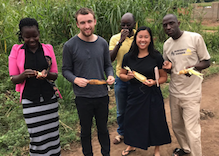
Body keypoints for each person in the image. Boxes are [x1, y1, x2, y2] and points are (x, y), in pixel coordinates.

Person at [62, 8, 115, 156]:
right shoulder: (70, 46)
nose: (87, 26)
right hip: (83, 97)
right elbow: (65, 70)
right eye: (83, 22)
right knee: (85, 131)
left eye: (89, 21)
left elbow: (107, 65)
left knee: (103, 129)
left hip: (101, 95)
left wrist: (110, 76)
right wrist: (75, 79)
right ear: (77, 24)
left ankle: (106, 153)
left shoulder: (103, 43)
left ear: (95, 21)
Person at [8, 18, 61, 156]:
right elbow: (13, 78)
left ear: (39, 33)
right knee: (37, 137)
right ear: (22, 36)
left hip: (49, 98)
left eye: (35, 36)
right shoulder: (16, 51)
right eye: (27, 37)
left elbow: (55, 75)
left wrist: (46, 74)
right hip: (30, 100)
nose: (32, 39)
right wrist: (24, 75)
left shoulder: (48, 48)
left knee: (53, 135)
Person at [162, 14, 211, 156]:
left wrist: (194, 68)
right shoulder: (167, 45)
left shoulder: (195, 38)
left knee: (192, 129)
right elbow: (170, 68)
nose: (168, 27)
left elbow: (206, 61)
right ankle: (185, 149)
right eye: (165, 25)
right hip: (174, 92)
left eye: (171, 23)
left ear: (178, 22)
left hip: (191, 93)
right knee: (177, 126)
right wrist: (167, 68)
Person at [119, 26, 171, 156]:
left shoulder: (156, 57)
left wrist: (154, 82)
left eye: (146, 37)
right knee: (132, 120)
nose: (143, 40)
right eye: (140, 37)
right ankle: (131, 145)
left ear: (150, 39)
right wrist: (128, 77)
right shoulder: (128, 57)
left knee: (155, 121)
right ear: (135, 39)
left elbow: (164, 77)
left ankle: (157, 150)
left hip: (152, 94)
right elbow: (121, 75)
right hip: (134, 94)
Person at [109, 12, 136, 144]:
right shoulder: (115, 38)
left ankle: (135, 133)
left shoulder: (140, 36)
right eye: (123, 24)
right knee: (121, 109)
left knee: (136, 107)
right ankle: (121, 133)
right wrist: (120, 42)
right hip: (121, 78)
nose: (125, 27)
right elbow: (110, 58)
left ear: (134, 24)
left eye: (128, 24)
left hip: (138, 79)